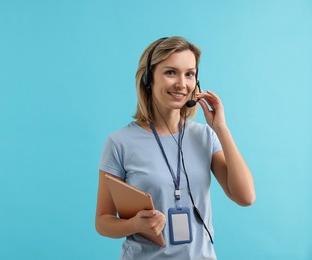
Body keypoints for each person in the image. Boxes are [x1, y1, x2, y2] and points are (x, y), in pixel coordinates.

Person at [95, 36, 255, 259]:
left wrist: (221, 129)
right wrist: (134, 225)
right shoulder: (120, 142)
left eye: (189, 74)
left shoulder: (205, 136)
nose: (182, 84)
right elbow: (103, 221)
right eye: (171, 72)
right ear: (149, 78)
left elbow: (245, 197)